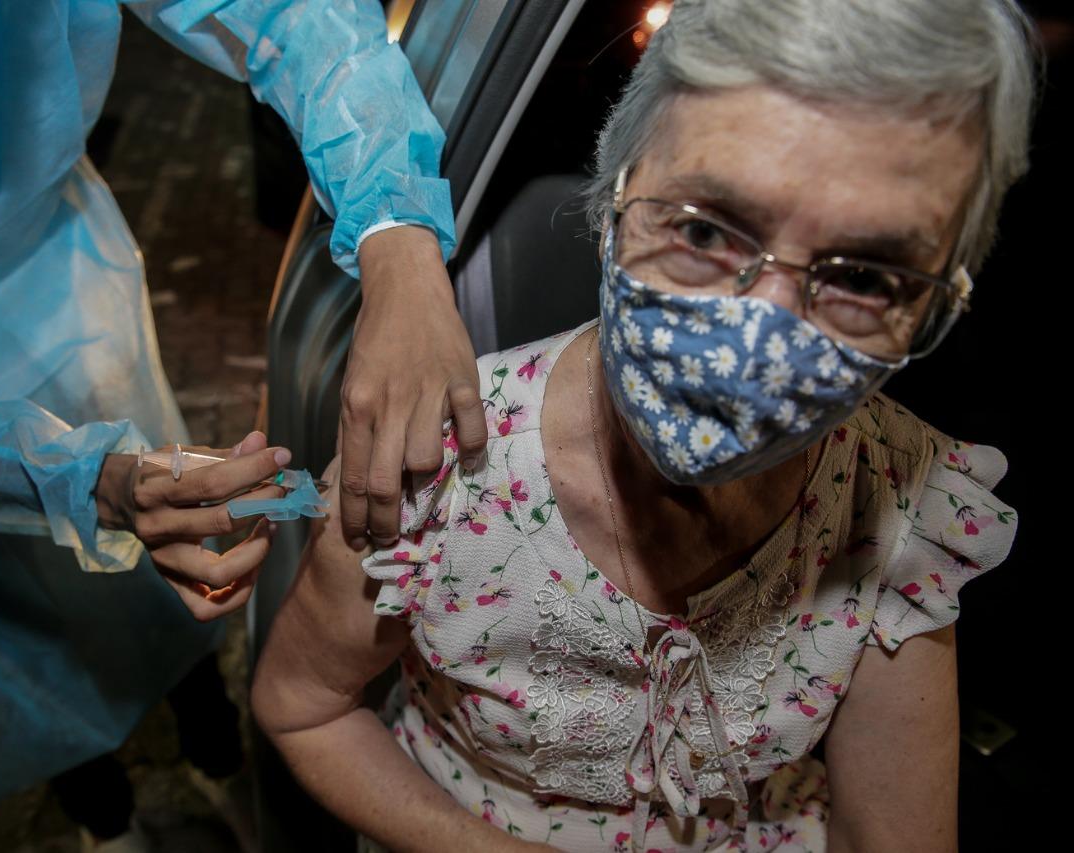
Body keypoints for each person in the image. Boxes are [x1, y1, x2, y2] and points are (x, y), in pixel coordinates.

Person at [251, 1, 1033, 849]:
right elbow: (304, 704)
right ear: (614, 196)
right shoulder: (439, 463)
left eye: (866, 277)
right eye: (703, 229)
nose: (756, 346)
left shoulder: (897, 505)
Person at [0, 1, 487, 849]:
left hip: (61, 278)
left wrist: (398, 235)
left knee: (170, 578)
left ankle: (218, 756)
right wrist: (87, 483)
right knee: (13, 627)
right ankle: (107, 818)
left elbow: (293, 13)